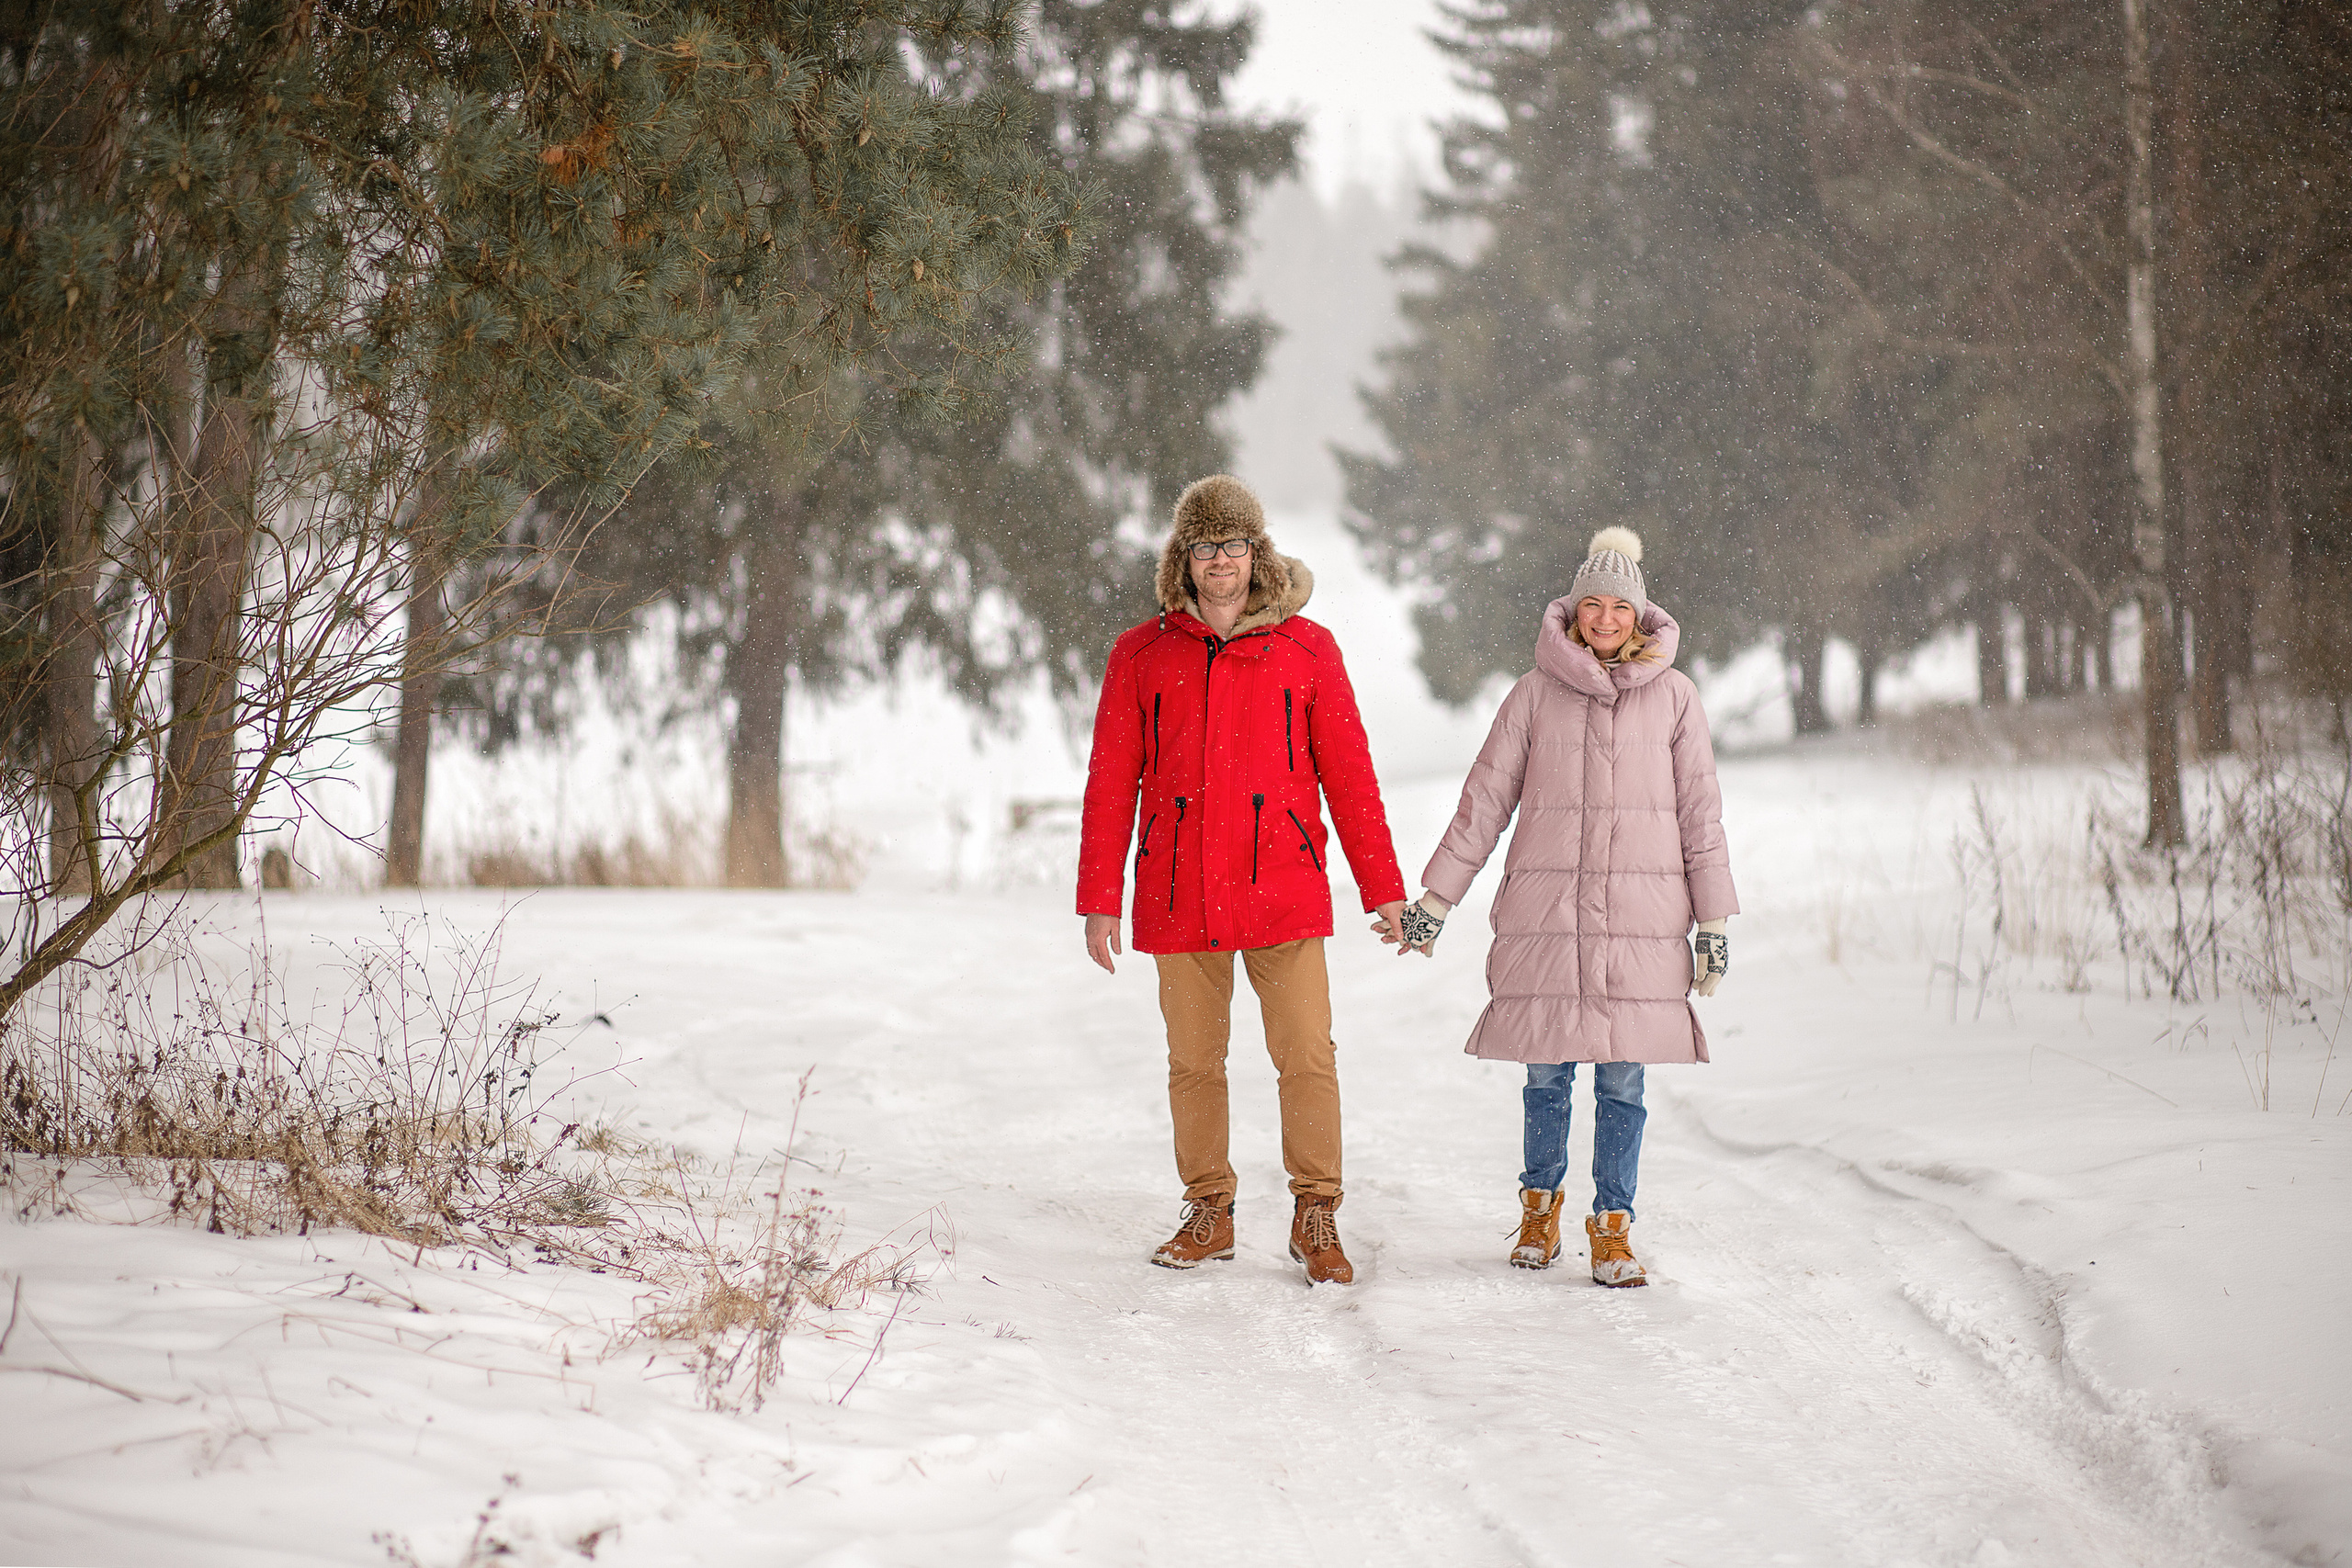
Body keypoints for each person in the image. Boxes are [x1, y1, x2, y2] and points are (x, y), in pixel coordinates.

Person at [1384, 527, 1736, 1287]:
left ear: (1639, 616)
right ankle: (1539, 1207)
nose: (1605, 619)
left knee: (1622, 1082)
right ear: (1573, 611)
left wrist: (1714, 924)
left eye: (1620, 607)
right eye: (1593, 605)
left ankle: (1613, 1225)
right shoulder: (1533, 695)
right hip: (1548, 917)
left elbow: (1701, 815)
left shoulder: (1676, 699)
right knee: (1546, 1074)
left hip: (1639, 924)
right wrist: (1435, 902)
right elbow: (1484, 801)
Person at [1079, 474, 1408, 1286]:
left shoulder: (1309, 649)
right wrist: (1098, 899)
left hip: (1282, 886)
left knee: (1307, 1056)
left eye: (1233, 545)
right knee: (1193, 1061)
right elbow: (1111, 780)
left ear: (1256, 553)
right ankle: (1210, 1208)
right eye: (1204, 547)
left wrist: (1385, 889)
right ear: (1181, 562)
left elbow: (1351, 776)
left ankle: (1317, 1209)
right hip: (1177, 890)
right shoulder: (1140, 655)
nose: (1219, 561)